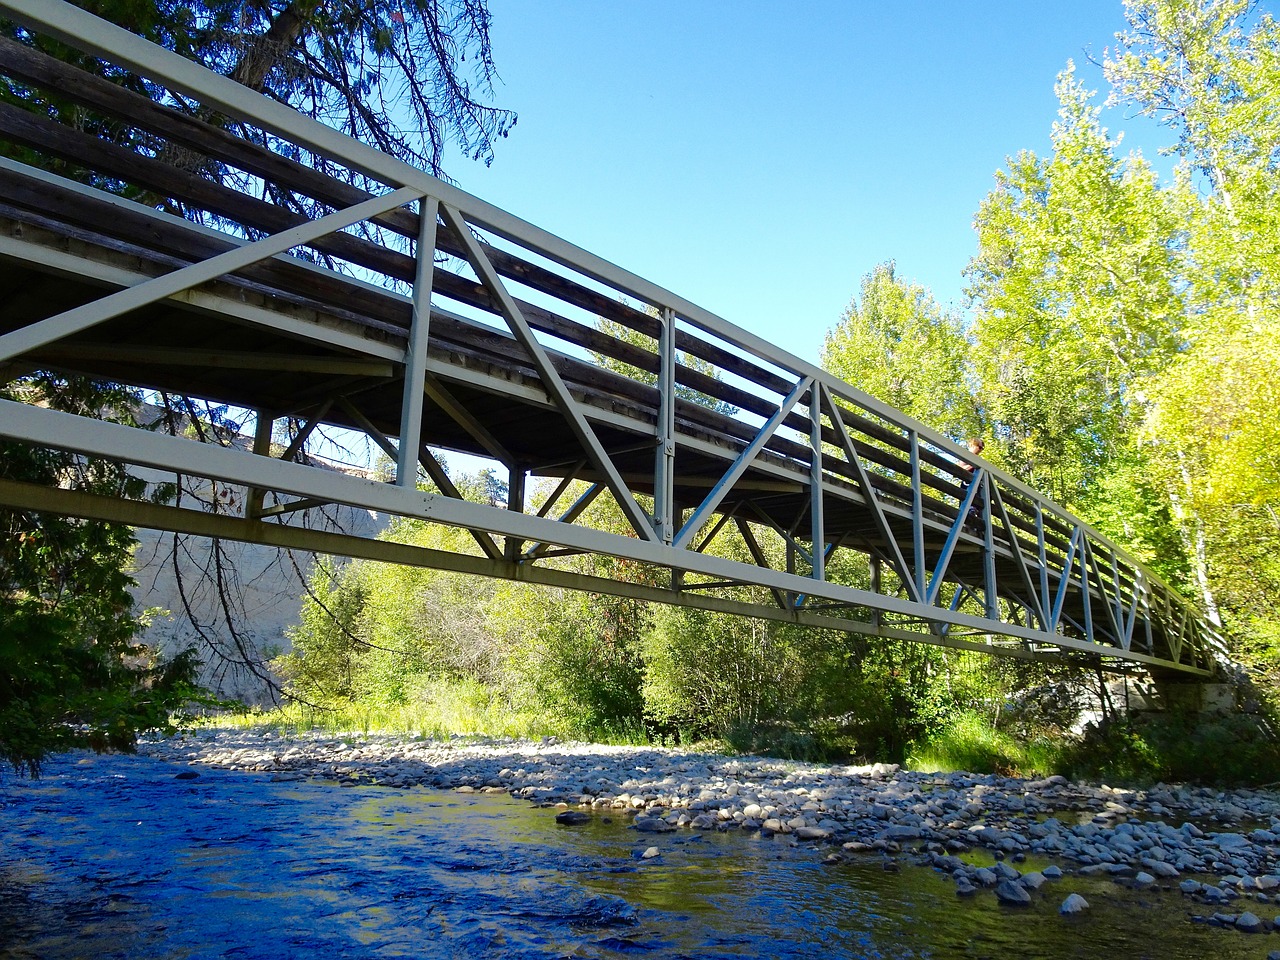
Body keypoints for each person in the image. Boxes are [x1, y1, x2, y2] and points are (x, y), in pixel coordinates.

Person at [960, 438, 985, 529]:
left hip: (977, 488)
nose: (981, 450)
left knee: (977, 507)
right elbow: (960, 469)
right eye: (980, 447)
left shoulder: (977, 459)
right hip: (967, 485)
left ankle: (976, 526)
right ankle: (967, 524)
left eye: (982, 448)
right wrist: (975, 464)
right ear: (973, 445)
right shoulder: (966, 456)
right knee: (968, 506)